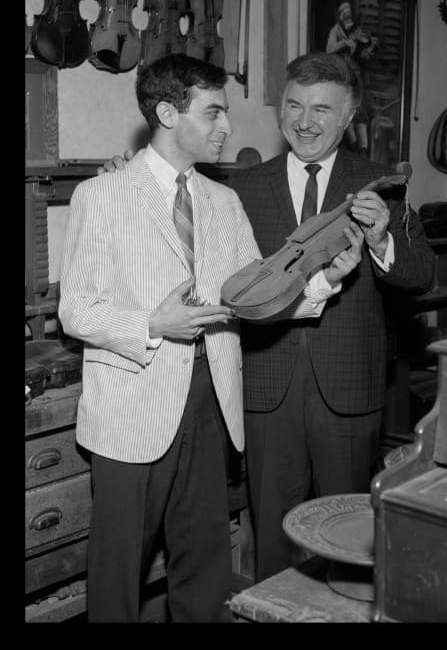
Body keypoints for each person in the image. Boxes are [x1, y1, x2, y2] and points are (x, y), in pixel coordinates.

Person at [102, 52, 436, 583]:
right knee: (272, 535)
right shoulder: (240, 186)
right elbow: (174, 204)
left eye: (323, 110)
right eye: (295, 105)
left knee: (349, 535)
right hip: (264, 387)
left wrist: (382, 240)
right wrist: (124, 174)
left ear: (349, 117)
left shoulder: (381, 184)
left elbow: (421, 275)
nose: (305, 121)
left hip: (348, 390)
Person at [60, 53, 363, 621]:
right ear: (169, 113)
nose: (228, 127)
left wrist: (324, 280)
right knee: (118, 568)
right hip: (132, 406)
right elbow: (75, 308)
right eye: (215, 112)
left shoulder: (225, 202)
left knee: (204, 561)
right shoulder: (100, 196)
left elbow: (257, 298)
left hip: (210, 400)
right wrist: (152, 323)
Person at [326, 0, 379, 156]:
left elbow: (362, 54)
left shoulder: (355, 29)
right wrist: (345, 42)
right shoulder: (335, 30)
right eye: (345, 13)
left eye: (350, 13)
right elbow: (329, 49)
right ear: (341, 15)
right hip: (342, 76)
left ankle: (363, 150)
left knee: (360, 111)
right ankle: (354, 146)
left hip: (356, 75)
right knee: (347, 111)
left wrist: (370, 46)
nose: (348, 16)